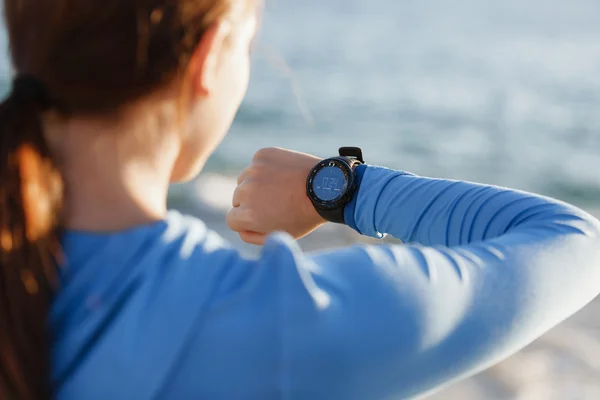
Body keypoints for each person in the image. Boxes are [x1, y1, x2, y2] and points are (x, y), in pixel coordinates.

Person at [0, 0, 599, 399]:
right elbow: (573, 241)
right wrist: (342, 189)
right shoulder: (268, 325)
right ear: (208, 57)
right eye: (248, 46)